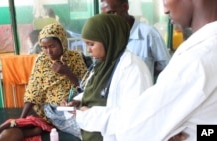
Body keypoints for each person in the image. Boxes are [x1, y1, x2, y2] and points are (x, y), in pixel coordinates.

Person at [74, 0, 217, 140]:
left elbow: (137, 126)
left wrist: (85, 116)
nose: (165, 9)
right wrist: (197, 134)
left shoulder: (196, 61)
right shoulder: (205, 51)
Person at [0, 23, 87, 141]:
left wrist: (67, 72)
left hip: (77, 102)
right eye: (44, 47)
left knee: (93, 123)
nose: (49, 51)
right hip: (55, 109)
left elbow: (86, 86)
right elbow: (34, 89)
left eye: (52, 46)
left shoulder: (75, 58)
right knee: (82, 129)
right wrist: (21, 120)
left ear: (62, 42)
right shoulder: (42, 60)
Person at [64, 14, 153, 141]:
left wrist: (88, 114)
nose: (88, 50)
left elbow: (133, 117)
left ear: (108, 39)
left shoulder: (133, 69)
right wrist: (79, 101)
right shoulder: (102, 65)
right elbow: (97, 91)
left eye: (91, 44)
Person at [101, 0, 171, 82]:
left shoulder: (148, 34)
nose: (108, 20)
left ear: (125, 7)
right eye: (105, 16)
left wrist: (143, 73)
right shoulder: (108, 37)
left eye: (112, 13)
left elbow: (166, 67)